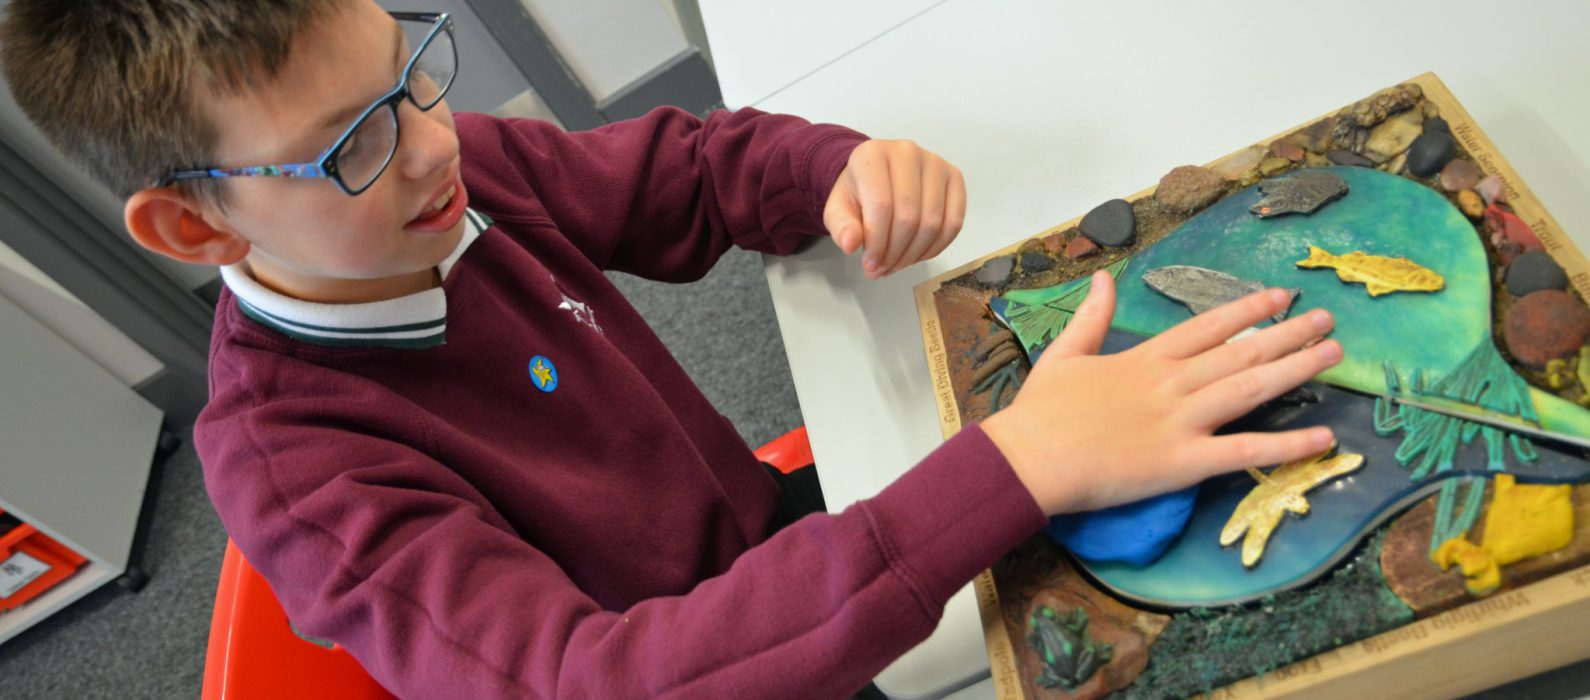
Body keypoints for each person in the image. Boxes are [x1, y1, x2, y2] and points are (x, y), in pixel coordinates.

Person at [0, 1, 1342, 697]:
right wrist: (1012, 472)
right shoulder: (305, 477)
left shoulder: (438, 181)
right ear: (190, 223)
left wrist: (834, 172)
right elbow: (603, 683)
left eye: (413, 69)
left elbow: (689, 175)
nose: (433, 140)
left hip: (770, 549)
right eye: (351, 141)